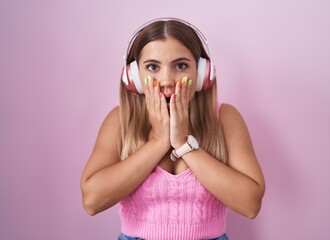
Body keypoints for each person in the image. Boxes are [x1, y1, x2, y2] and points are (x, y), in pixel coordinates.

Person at [80, 18, 265, 240]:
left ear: (202, 73)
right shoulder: (120, 120)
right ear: (134, 77)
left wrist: (184, 143)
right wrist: (158, 141)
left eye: (181, 66)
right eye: (152, 67)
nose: (166, 81)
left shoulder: (225, 119)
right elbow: (92, 201)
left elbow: (250, 204)